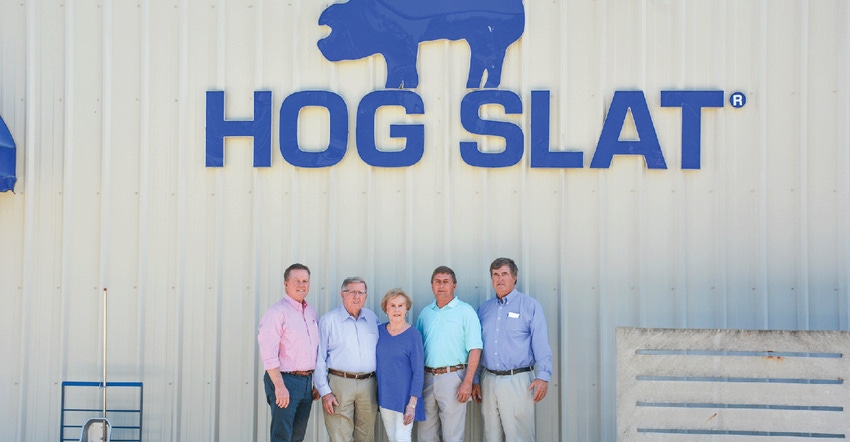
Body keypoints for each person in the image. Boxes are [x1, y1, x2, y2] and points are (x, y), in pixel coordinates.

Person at [472, 257, 553, 442]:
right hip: (488, 381)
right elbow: (477, 347)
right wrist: (475, 379)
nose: (500, 279)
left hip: (517, 380)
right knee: (491, 436)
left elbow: (540, 343)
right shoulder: (484, 309)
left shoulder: (530, 306)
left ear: (514, 277)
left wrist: (543, 376)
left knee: (519, 437)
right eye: (495, 275)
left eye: (504, 274)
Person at [415, 266, 483, 442]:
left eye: (446, 282)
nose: (441, 285)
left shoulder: (465, 311)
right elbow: (416, 350)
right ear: (432, 286)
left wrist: (468, 382)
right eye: (437, 281)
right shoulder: (425, 313)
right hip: (427, 378)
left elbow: (475, 349)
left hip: (453, 379)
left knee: (452, 436)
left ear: (454, 285)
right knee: (425, 435)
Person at [257, 263, 320, 442]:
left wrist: (316, 382)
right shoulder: (277, 313)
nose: (301, 285)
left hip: (306, 381)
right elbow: (268, 353)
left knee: (297, 436)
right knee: (282, 436)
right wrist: (279, 386)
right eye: (296, 281)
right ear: (286, 284)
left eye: (305, 281)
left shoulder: (311, 313)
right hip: (285, 380)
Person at [314, 276, 380, 442]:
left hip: (369, 384)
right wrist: (325, 392)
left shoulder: (373, 319)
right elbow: (319, 359)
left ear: (365, 296)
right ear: (342, 294)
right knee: (340, 436)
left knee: (366, 436)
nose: (357, 296)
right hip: (339, 384)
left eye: (361, 292)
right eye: (352, 292)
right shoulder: (329, 321)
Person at [376, 288, 426, 442]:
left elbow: (418, 371)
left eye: (400, 305)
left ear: (406, 308)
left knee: (402, 437)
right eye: (392, 305)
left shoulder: (413, 335)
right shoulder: (379, 331)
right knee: (392, 437)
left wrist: (412, 404)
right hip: (385, 395)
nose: (396, 310)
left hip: (405, 398)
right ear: (386, 309)